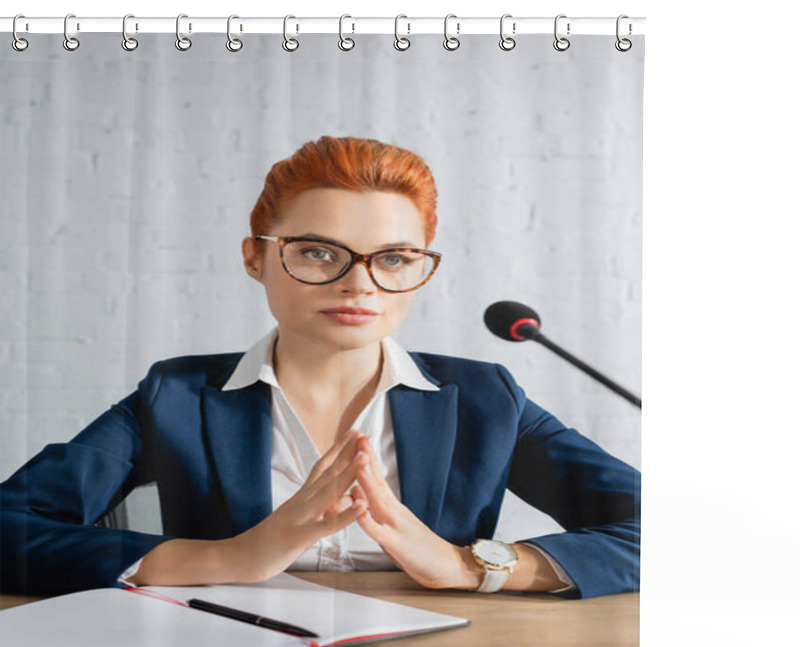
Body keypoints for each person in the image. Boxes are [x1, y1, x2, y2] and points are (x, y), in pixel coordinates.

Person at [0, 135, 640, 600]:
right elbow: (10, 527)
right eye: (318, 251)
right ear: (255, 257)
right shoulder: (178, 395)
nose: (359, 284)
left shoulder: (484, 399)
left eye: (393, 258)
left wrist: (469, 565)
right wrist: (231, 557)